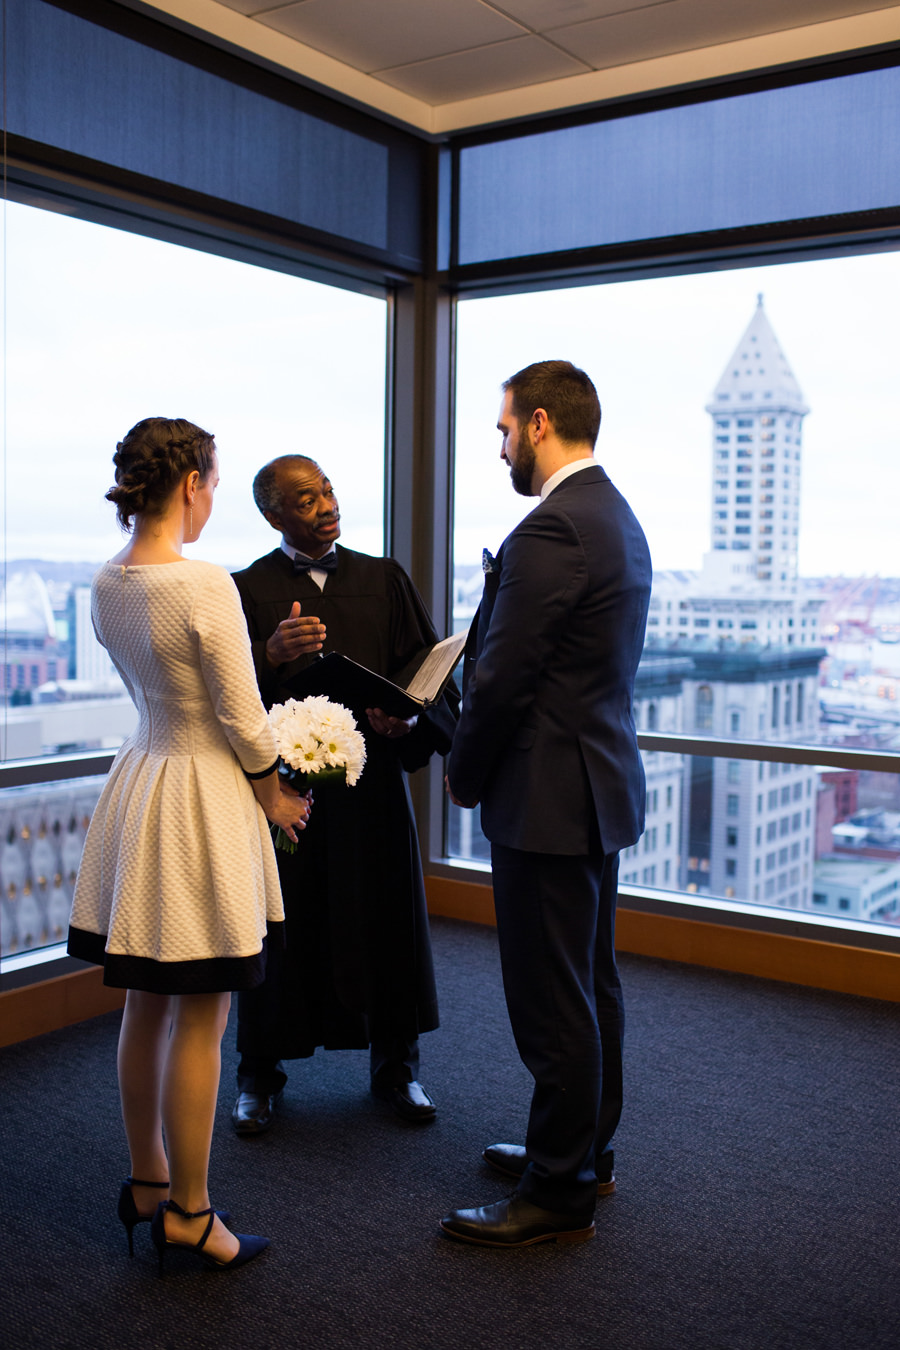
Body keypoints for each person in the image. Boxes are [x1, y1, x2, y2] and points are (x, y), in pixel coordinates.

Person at [67, 418, 309, 1274]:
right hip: (203, 795)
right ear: (193, 484)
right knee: (204, 1016)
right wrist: (275, 788)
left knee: (145, 1003)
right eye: (214, 482)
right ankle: (194, 1215)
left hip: (142, 782)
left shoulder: (107, 583)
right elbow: (242, 721)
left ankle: (147, 1183)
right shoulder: (202, 583)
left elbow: (156, 689)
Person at [442, 361, 651, 1248]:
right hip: (592, 789)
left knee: (551, 998)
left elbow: (502, 684)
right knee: (590, 985)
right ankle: (581, 1154)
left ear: (537, 423)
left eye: (500, 432)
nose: (498, 450)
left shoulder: (553, 529)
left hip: (548, 800)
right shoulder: (616, 518)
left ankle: (557, 1190)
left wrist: (460, 770)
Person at [230, 455, 457, 1134]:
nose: (325, 505)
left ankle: (398, 1071)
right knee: (280, 930)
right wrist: (268, 655)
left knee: (386, 921)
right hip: (288, 795)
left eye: (326, 490)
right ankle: (258, 1076)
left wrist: (409, 716)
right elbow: (224, 694)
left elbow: (428, 672)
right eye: (304, 500)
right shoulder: (247, 588)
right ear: (274, 516)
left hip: (373, 788)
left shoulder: (384, 578)